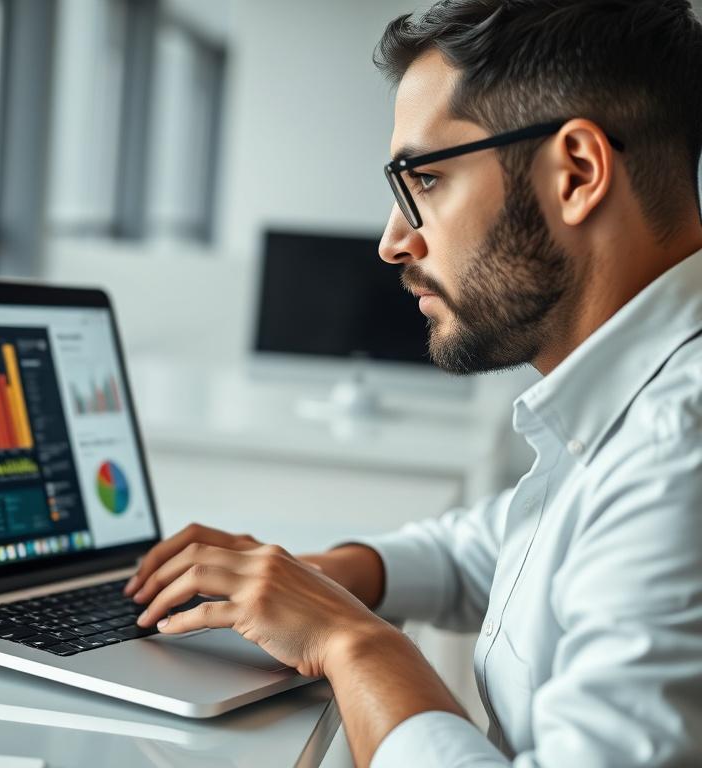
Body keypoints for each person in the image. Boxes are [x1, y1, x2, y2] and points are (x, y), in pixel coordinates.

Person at [123, 1, 702, 765]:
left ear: (577, 174)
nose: (394, 241)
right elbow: (493, 545)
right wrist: (323, 579)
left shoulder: (676, 455)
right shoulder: (633, 406)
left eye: (425, 179)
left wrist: (352, 642)